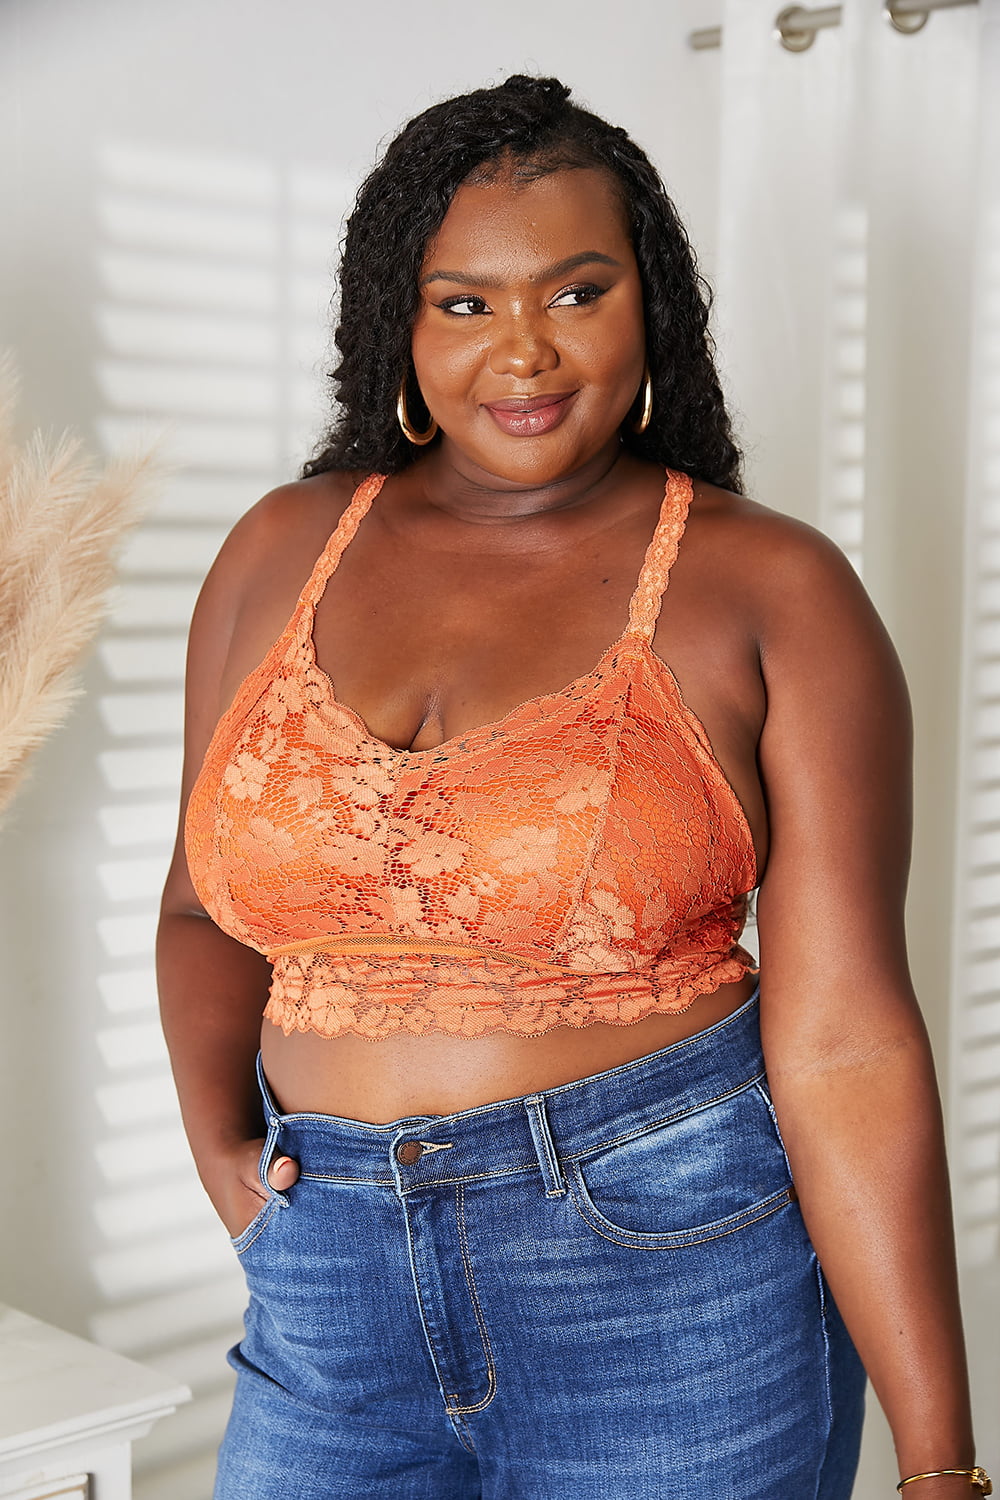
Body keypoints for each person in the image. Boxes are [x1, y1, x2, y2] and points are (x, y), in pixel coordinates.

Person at [157, 74, 986, 1500]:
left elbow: (847, 1038)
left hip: (669, 1279)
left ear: (650, 307)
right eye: (464, 303)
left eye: (577, 293)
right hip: (331, 1288)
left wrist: (940, 1464)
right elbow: (200, 911)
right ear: (399, 329)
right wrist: (222, 1149)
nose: (523, 354)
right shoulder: (280, 548)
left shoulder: (771, 588)